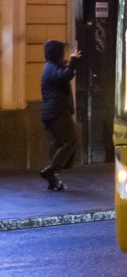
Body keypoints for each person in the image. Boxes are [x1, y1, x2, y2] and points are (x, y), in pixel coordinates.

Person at [39, 40, 81, 191]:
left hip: (52, 111)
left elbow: (64, 73)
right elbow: (64, 77)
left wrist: (71, 62)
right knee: (70, 140)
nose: (63, 55)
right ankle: (51, 170)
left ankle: (54, 180)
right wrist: (73, 62)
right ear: (56, 53)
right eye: (61, 52)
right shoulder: (51, 67)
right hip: (57, 111)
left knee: (58, 144)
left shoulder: (52, 66)